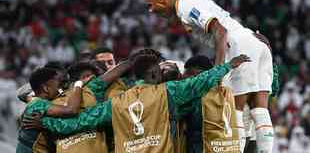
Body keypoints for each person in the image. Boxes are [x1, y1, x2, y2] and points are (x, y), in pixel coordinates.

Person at [23, 53, 250, 152]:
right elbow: (200, 81)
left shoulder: (118, 102)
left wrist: (48, 124)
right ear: (154, 74)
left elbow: (81, 121)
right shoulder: (168, 92)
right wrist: (229, 65)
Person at [144, 0, 274, 153]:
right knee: (259, 109)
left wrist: (217, 72)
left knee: (234, 110)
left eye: (151, 5)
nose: (151, 10)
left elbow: (221, 31)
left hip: (237, 45)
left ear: (162, 0)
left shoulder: (185, 7)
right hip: (253, 40)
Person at [182, 55, 239, 153]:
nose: (183, 77)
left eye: (188, 73)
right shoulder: (228, 93)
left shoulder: (196, 97)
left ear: (199, 74)